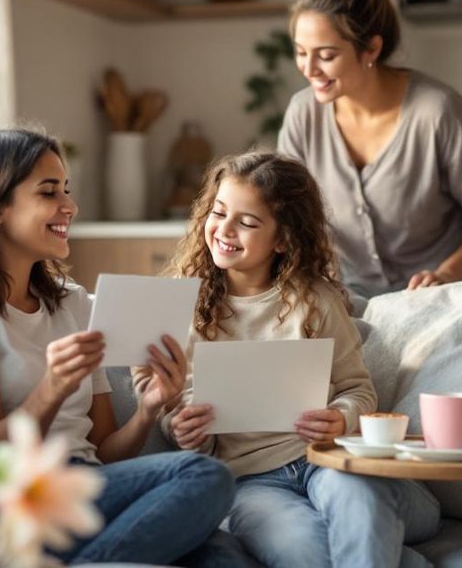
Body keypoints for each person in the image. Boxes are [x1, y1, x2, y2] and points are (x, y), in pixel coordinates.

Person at [0, 128, 238, 565]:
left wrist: (148, 408)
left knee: (222, 553)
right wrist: (52, 387)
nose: (70, 206)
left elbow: (100, 449)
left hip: (80, 488)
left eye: (67, 190)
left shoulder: (69, 301)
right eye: (49, 191)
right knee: (205, 476)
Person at [136, 152, 440, 568]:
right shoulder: (176, 305)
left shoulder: (315, 300)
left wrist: (341, 416)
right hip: (251, 482)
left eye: (246, 222)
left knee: (363, 501)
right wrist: (183, 429)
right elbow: (167, 405)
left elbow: (358, 388)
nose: (224, 229)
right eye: (218, 212)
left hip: (325, 460)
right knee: (305, 551)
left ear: (282, 239)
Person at [278, 0, 462, 297]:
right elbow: (286, 210)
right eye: (300, 52)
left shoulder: (438, 112)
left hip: (448, 300)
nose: (309, 70)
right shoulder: (303, 113)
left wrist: (445, 275)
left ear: (371, 49)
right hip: (354, 304)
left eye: (326, 55)